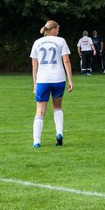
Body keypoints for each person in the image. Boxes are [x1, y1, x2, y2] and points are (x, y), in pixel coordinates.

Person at [30, 19, 74, 147]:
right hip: (58, 79)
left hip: (43, 79)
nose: (58, 32)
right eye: (58, 29)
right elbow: (66, 61)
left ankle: (36, 141)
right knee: (57, 107)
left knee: (40, 110)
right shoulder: (61, 41)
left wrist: (35, 83)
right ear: (54, 29)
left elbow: (34, 65)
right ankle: (59, 133)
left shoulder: (37, 42)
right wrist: (70, 79)